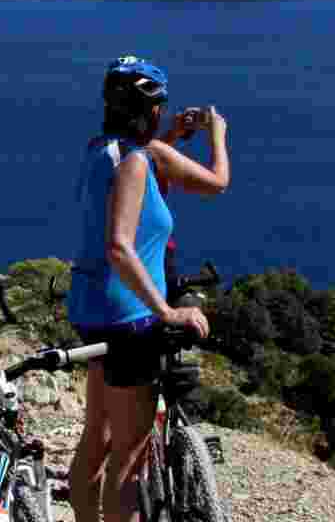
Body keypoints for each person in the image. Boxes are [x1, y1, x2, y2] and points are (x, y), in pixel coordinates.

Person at [66, 56, 230, 522]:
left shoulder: (102, 151)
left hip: (92, 310)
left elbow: (138, 180)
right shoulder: (138, 160)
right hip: (130, 318)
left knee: (97, 437)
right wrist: (167, 311)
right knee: (130, 458)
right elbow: (121, 246)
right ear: (153, 110)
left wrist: (173, 137)